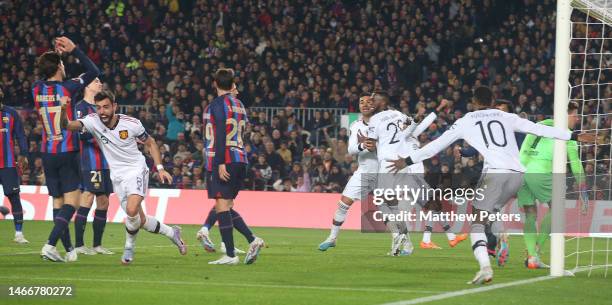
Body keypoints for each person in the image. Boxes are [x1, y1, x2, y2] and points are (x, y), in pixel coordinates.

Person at [387, 86, 596, 284]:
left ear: (474, 102)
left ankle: (485, 266)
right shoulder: (506, 116)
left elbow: (435, 146)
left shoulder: (466, 120)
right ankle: (500, 232)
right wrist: (574, 136)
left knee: (477, 223)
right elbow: (537, 129)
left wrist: (406, 161)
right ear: (493, 101)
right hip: (517, 176)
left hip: (495, 174)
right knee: (490, 212)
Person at [61, 90, 187, 265]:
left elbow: (150, 143)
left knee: (132, 210)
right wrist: (62, 110)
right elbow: (67, 125)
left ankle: (128, 248)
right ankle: (172, 233)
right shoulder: (93, 121)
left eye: (106, 107)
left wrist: (160, 168)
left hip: (136, 169)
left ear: (114, 106)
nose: (102, 111)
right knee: (140, 220)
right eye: (98, 108)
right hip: (117, 176)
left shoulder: (131, 124)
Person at [35, 37, 100, 262]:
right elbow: (93, 70)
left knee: (57, 202)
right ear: (59, 68)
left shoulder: (36, 88)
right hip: (67, 149)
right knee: (72, 202)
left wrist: (55, 58)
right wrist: (75, 50)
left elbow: (48, 76)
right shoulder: (68, 87)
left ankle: (69, 248)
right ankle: (50, 245)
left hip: (47, 151)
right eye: (61, 64)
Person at [202, 68, 264, 265]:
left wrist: (219, 162)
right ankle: (252, 241)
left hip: (225, 159)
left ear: (215, 84)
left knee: (221, 205)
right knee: (226, 206)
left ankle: (230, 255)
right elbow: (242, 129)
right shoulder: (239, 105)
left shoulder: (217, 105)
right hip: (240, 158)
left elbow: (220, 134)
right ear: (232, 84)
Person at [518, 101, 589, 269]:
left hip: (520, 171)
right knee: (557, 207)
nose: (577, 119)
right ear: (564, 115)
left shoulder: (539, 125)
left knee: (530, 214)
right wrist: (583, 190)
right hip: (540, 172)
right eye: (574, 115)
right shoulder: (566, 135)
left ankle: (532, 257)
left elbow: (525, 148)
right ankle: (537, 248)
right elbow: (576, 164)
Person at [318, 94, 378, 251]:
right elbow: (351, 149)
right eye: (361, 102)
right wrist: (363, 145)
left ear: (375, 104)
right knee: (343, 203)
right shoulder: (356, 125)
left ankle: (403, 242)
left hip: (383, 170)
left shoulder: (383, 124)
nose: (364, 104)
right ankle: (332, 238)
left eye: (368, 102)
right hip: (364, 170)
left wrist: (377, 147)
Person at [73, 78, 114, 255]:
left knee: (104, 201)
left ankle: (97, 245)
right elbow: (80, 134)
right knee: (88, 197)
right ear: (87, 86)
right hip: (90, 161)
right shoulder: (81, 107)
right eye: (96, 81)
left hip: (106, 161)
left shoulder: (101, 107)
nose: (100, 83)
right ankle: (79, 244)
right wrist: (103, 137)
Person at [0, 88, 29, 244]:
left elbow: (20, 135)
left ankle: (19, 233)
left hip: (8, 164)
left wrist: (24, 154)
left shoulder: (11, 113)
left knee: (14, 198)